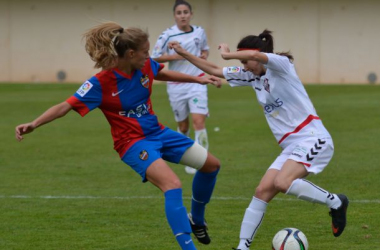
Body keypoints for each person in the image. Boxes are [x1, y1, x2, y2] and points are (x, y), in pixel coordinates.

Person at [15, 22, 222, 250]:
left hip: (158, 132)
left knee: (212, 165)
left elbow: (160, 71)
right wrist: (34, 123)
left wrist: (198, 79)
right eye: (145, 52)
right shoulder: (100, 83)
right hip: (132, 144)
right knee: (172, 185)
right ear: (131, 54)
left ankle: (197, 219)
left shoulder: (143, 65)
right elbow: (66, 106)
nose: (149, 56)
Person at [169, 29, 349, 250]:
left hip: (313, 138)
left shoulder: (281, 65)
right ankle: (242, 247)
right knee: (262, 191)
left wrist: (229, 54)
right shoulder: (251, 75)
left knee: (283, 183)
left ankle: (336, 202)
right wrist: (183, 52)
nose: (244, 66)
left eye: (246, 61)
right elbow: (215, 69)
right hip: (291, 146)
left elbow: (255, 57)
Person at [152, 0, 210, 174]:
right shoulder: (167, 35)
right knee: (183, 127)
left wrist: (203, 57)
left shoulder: (200, 32)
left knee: (198, 121)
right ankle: (186, 156)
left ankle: (202, 159)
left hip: (197, 82)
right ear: (174, 16)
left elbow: (205, 50)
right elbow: (154, 57)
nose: (183, 15)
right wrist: (177, 57)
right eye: (179, 12)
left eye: (186, 12)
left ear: (191, 14)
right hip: (176, 86)